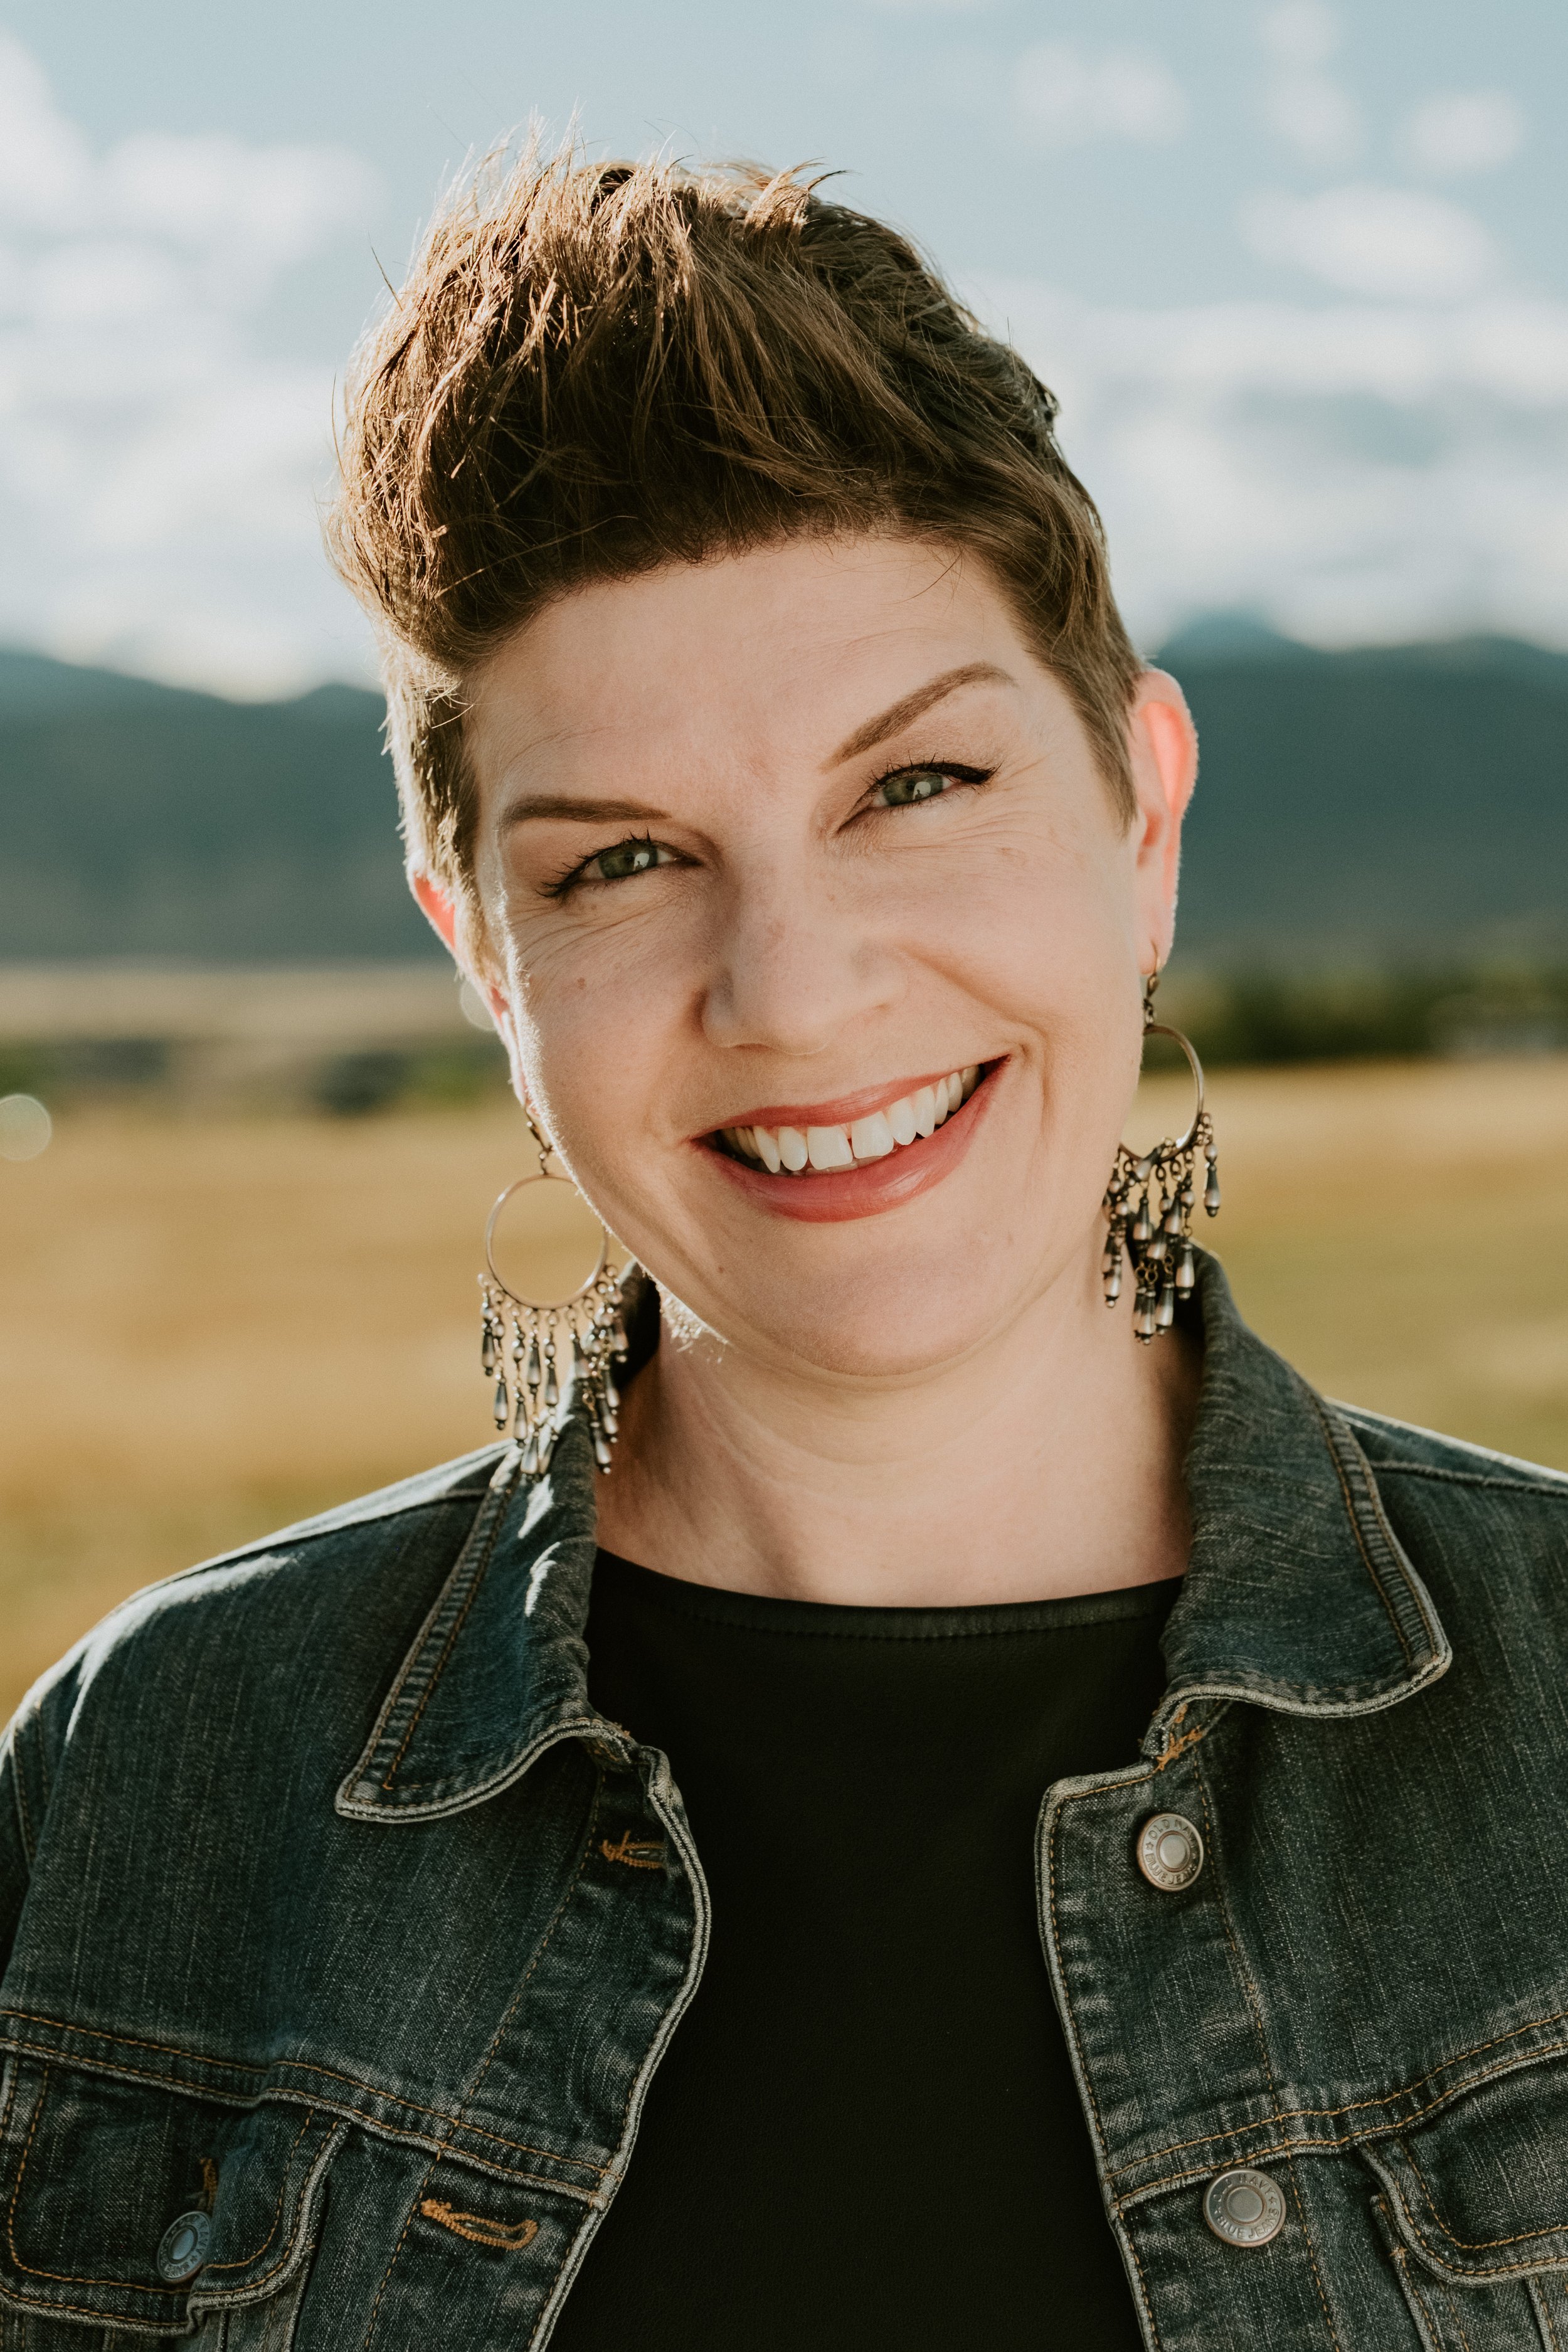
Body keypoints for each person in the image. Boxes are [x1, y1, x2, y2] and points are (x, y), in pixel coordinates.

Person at [3, 151, 1567, 2352]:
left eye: (912, 787)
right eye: (624, 858)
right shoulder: (157, 1776)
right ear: (481, 954)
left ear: (1142, 812)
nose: (797, 992)